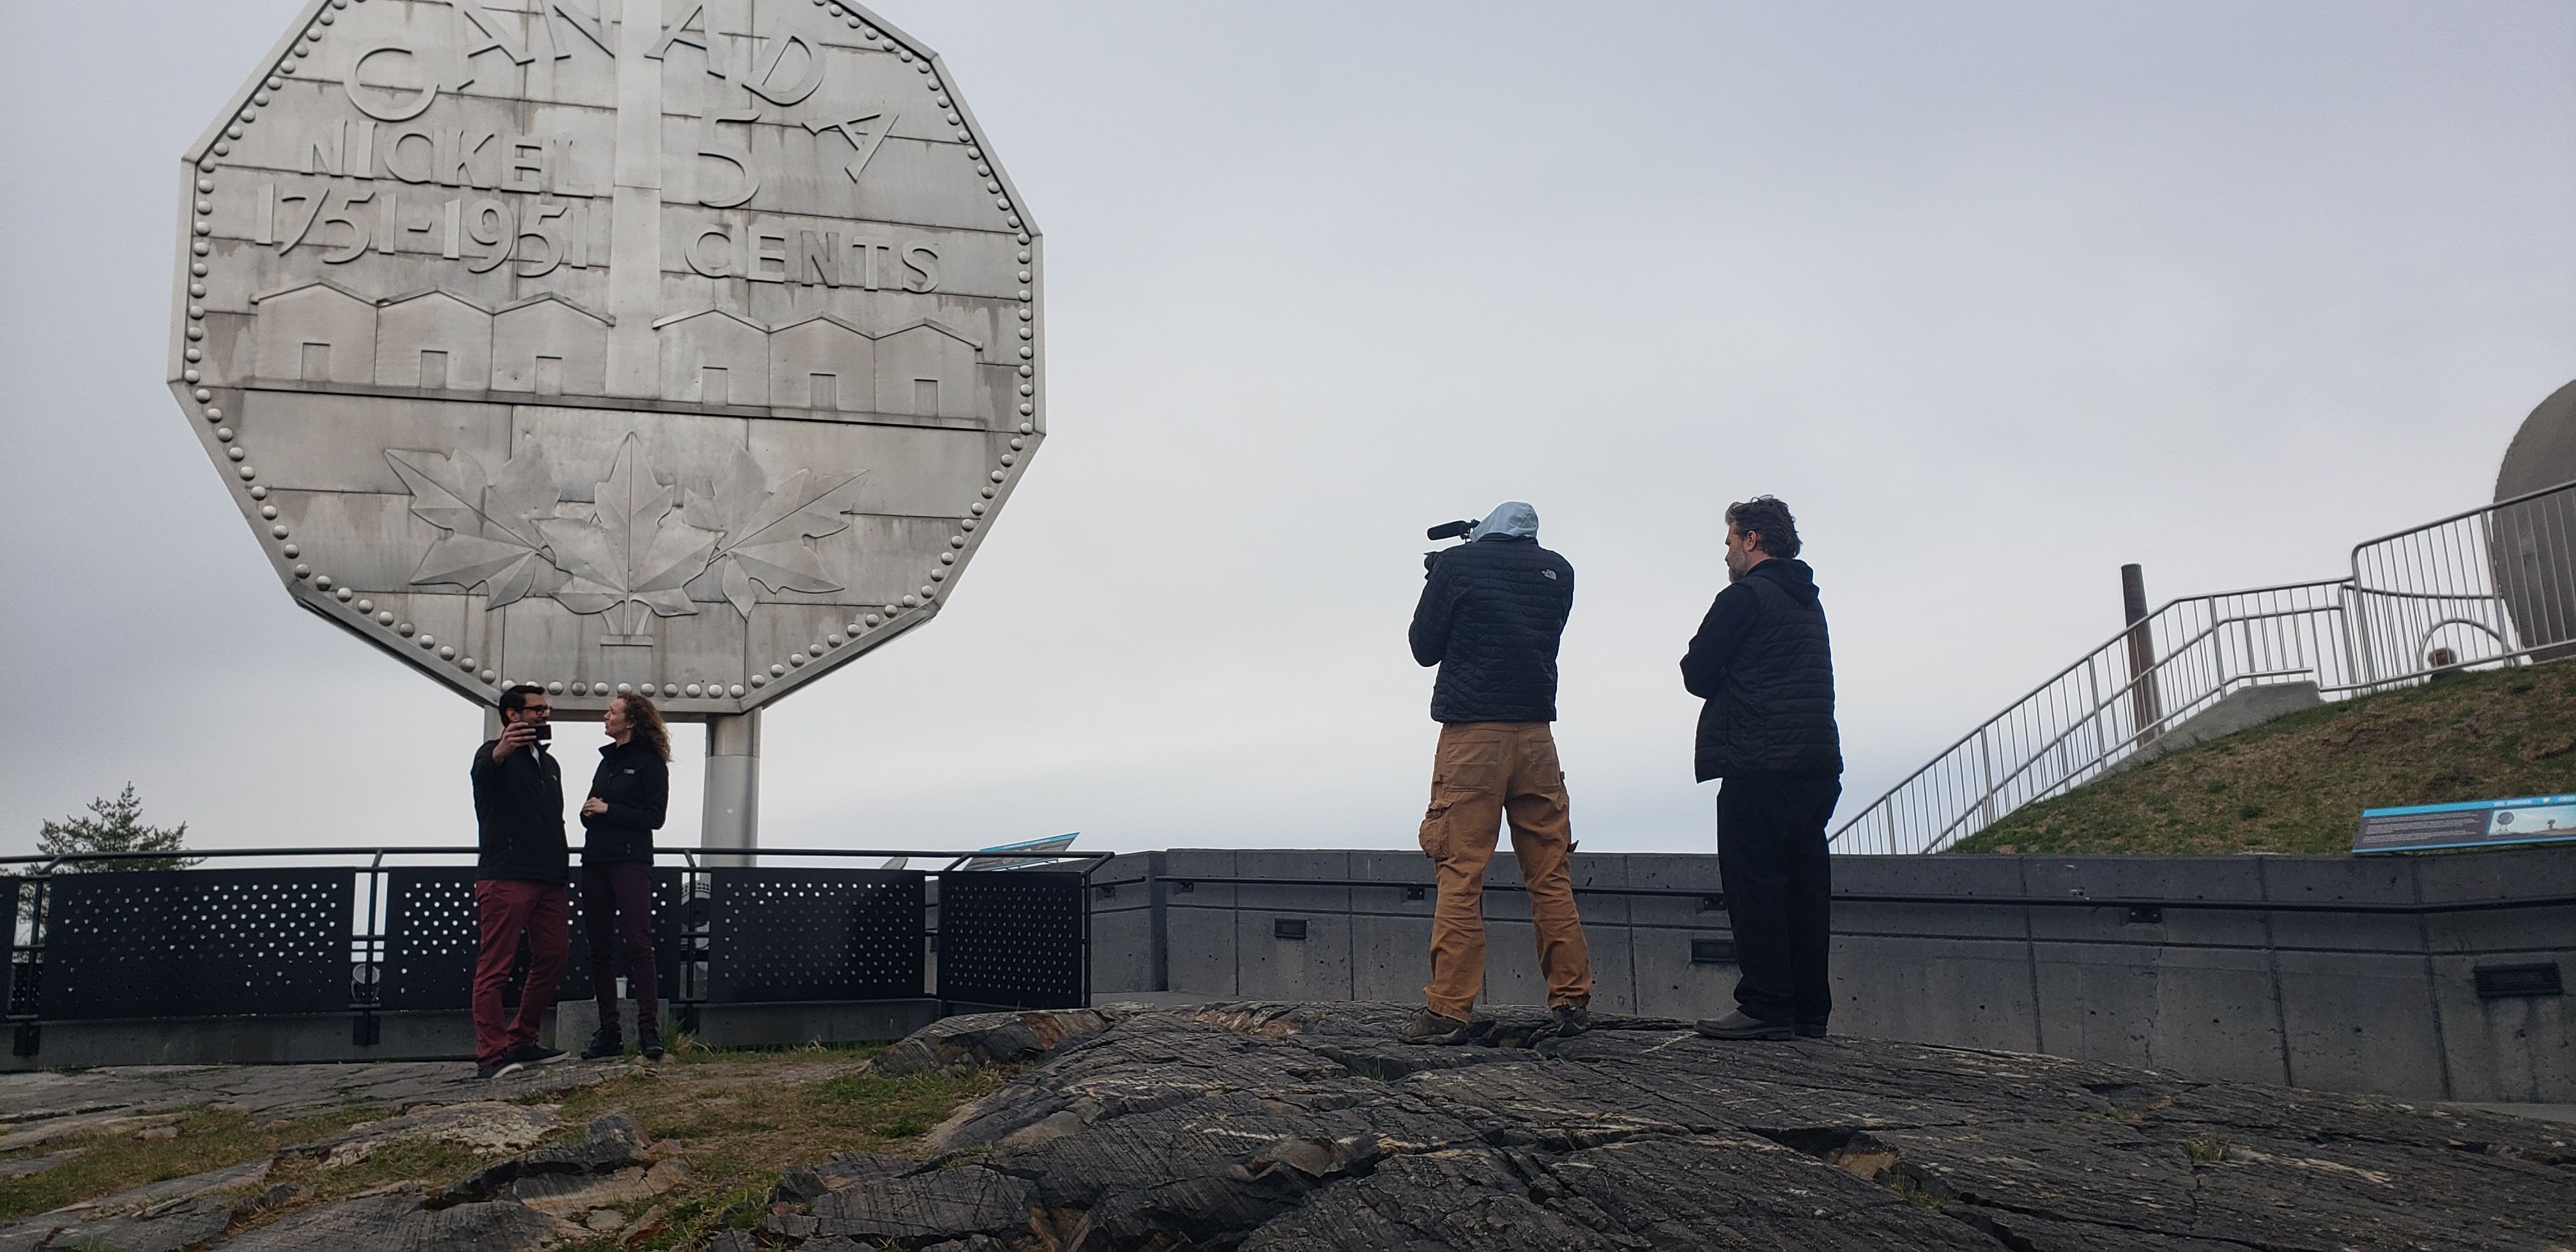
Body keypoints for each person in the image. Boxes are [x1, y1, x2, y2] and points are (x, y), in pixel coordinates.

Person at [1401, 501, 1593, 1044]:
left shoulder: (1459, 568)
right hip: (1537, 739)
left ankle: (1447, 1011)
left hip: (1472, 738)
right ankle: (1572, 1000)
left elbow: (1423, 647)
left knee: (1461, 873)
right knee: (1549, 873)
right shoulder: (1560, 571)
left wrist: (1439, 577)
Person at [1679, 496, 1844, 1041]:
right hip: (1815, 763)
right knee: (1804, 887)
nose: (1725, 551)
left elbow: (1697, 670)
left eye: (1729, 540)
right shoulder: (1806, 600)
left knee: (1755, 885)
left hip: (1758, 760)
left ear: (1752, 540)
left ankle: (1766, 1004)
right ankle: (1807, 1011)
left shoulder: (1745, 596)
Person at [470, 683, 573, 1078]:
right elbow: (487, 767)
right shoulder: (491, 754)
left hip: (549, 876)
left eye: (546, 709)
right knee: (496, 965)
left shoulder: (549, 765)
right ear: (512, 715)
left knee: (554, 954)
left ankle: (522, 1041)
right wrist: (503, 748)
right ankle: (491, 1056)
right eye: (535, 710)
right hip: (506, 875)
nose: (543, 715)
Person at [579, 691, 671, 1061]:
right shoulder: (605, 763)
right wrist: (588, 811)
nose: (605, 716)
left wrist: (608, 809)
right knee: (598, 947)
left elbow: (655, 818)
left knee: (639, 943)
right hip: (595, 861)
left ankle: (649, 1029)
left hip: (631, 861)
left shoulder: (650, 764)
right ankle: (610, 1030)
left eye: (612, 712)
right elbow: (595, 804)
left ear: (630, 721)